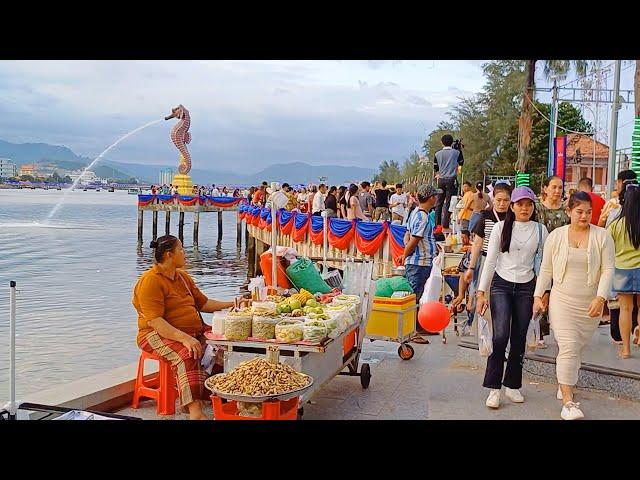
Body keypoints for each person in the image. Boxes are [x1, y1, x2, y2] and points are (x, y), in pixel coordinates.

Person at [132, 235, 248, 420]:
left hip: (190, 330)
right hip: (154, 333)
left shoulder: (183, 277)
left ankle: (217, 397)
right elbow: (155, 321)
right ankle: (195, 413)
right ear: (169, 255)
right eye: (181, 250)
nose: (185, 254)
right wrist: (184, 338)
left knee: (225, 346)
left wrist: (233, 304)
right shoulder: (150, 281)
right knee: (188, 353)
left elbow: (204, 303)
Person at [533, 192, 614, 420]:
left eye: (589, 212)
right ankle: (568, 402)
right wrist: (539, 295)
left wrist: (600, 298)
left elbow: (608, 269)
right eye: (579, 211)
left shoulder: (602, 236)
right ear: (568, 212)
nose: (585, 216)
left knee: (577, 347)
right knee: (568, 345)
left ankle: (564, 380)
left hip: (589, 303)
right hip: (562, 300)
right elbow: (546, 269)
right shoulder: (556, 236)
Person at [476, 186, 548, 409]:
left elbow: (545, 265)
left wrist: (542, 294)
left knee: (518, 338)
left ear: (533, 206)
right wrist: (481, 292)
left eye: (528, 204)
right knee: (500, 337)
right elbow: (490, 260)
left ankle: (513, 384)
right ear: (513, 206)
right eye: (520, 204)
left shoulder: (540, 229)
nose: (524, 208)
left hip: (527, 287)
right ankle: (494, 388)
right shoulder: (500, 227)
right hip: (501, 285)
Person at [462, 182, 513, 333]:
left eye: (506, 200)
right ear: (493, 199)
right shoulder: (486, 216)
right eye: (499, 200)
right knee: (484, 296)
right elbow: (478, 242)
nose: (502, 204)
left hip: (507, 263)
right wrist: (471, 267)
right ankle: (486, 334)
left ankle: (502, 331)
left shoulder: (514, 217)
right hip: (486, 262)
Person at [402, 184, 443, 343]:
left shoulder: (416, 213)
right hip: (418, 262)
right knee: (413, 296)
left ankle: (417, 326)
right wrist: (404, 255)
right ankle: (410, 331)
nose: (437, 198)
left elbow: (408, 234)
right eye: (435, 196)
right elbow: (414, 239)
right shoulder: (423, 216)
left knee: (416, 296)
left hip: (422, 261)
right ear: (431, 198)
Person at [607, 183, 640, 359]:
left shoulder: (616, 224)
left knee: (625, 309)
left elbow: (608, 248)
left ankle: (626, 349)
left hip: (622, 270)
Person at [433, 134, 464, 230]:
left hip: (441, 180)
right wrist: (459, 149)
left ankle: (437, 224)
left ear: (442, 142)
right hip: (451, 180)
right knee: (449, 202)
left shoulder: (437, 154)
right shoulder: (456, 152)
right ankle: (445, 224)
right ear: (452, 142)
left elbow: (435, 168)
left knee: (439, 202)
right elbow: (461, 162)